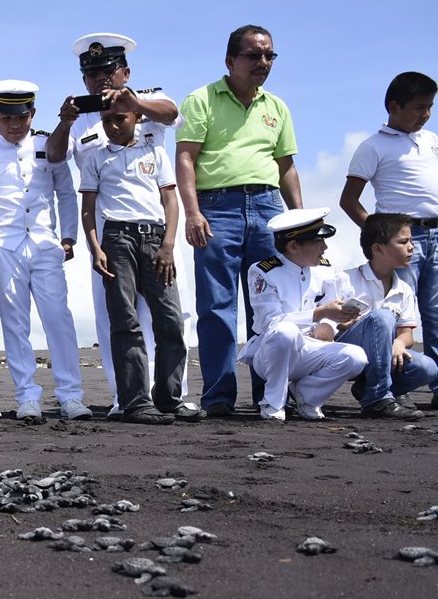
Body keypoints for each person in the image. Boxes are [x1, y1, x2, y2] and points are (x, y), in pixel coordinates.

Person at [47, 32, 194, 420]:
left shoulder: (145, 99)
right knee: (114, 313)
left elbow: (173, 113)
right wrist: (64, 123)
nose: (100, 80)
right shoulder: (81, 120)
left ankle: (171, 395)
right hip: (109, 228)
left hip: (157, 223)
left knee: (170, 314)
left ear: (125, 71)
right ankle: (124, 395)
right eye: (92, 74)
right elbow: (56, 157)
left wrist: (136, 102)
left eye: (108, 71)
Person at [177, 24, 302, 417]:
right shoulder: (201, 100)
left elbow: (286, 167)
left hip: (268, 211)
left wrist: (299, 221)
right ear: (230, 60)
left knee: (271, 304)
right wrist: (193, 212)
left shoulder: (277, 107)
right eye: (253, 55)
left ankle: (271, 395)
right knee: (217, 305)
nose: (262, 62)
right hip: (218, 209)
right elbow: (185, 158)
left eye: (269, 55)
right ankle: (218, 397)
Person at [0, 80, 91, 422]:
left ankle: (71, 396)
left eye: (22, 116)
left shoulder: (48, 144)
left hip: (44, 242)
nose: (15, 124)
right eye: (7, 118)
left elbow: (66, 193)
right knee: (15, 324)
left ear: (33, 114)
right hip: (5, 245)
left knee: (58, 319)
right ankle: (27, 396)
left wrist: (68, 236)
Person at [80, 108, 197, 424]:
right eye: (107, 121)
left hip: (155, 236)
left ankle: (169, 398)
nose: (113, 126)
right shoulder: (95, 157)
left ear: (136, 118)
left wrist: (169, 245)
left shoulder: (154, 151)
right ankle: (135, 402)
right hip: (116, 239)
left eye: (121, 119)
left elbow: (170, 201)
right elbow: (88, 209)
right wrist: (95, 247)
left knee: (171, 320)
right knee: (125, 321)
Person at [340, 71, 438, 409]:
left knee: (435, 311)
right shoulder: (373, 146)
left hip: (436, 232)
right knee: (396, 313)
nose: (425, 114)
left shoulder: (431, 140)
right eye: (418, 107)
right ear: (394, 107)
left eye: (430, 107)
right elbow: (349, 199)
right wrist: (381, 234)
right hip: (403, 237)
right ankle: (391, 386)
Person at [237, 208, 365, 421]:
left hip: (311, 347)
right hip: (272, 352)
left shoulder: (324, 269)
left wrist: (332, 323)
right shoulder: (263, 271)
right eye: (318, 241)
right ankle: (273, 403)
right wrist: (319, 314)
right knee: (285, 332)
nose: (324, 247)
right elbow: (271, 323)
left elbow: (331, 309)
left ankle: (307, 396)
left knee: (355, 356)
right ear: (294, 246)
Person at [339, 213, 436, 420]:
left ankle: (368, 387)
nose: (411, 247)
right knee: (382, 317)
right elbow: (325, 329)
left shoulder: (404, 289)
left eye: (411, 241)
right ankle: (377, 398)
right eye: (403, 242)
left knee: (428, 368)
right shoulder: (345, 280)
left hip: (382, 358)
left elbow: (407, 334)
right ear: (377, 248)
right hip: (346, 354)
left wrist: (400, 343)